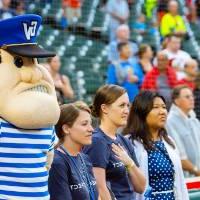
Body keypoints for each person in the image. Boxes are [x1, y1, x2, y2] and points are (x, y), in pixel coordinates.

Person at [0, 14, 60, 200]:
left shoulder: (48, 127)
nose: (34, 74)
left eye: (34, 62)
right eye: (19, 62)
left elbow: (47, 162)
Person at [83, 84, 146, 200]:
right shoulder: (97, 141)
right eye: (122, 105)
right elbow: (99, 189)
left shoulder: (124, 141)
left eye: (128, 105)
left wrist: (129, 163)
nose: (126, 110)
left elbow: (141, 187)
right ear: (104, 108)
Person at [123, 90, 189, 200]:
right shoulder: (130, 142)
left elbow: (180, 182)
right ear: (142, 112)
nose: (162, 111)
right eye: (155, 107)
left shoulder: (169, 142)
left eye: (163, 107)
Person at [48, 101, 99, 200]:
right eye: (84, 124)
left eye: (91, 124)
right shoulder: (57, 163)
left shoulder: (85, 158)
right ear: (66, 129)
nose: (91, 129)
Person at [166, 85, 200, 177]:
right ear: (176, 101)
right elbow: (180, 158)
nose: (192, 99)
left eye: (192, 96)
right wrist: (197, 171)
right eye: (187, 97)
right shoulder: (170, 122)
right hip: (185, 179)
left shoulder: (195, 121)